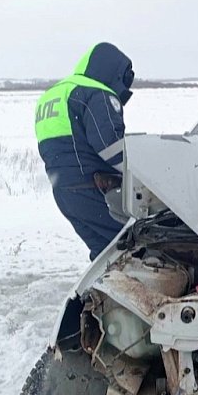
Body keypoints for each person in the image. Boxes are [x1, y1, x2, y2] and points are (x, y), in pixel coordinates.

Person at [34, 42, 134, 260]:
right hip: (96, 189)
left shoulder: (54, 94)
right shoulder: (95, 93)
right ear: (116, 72)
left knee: (104, 254)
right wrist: (142, 172)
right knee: (133, 246)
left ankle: (100, 291)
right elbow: (111, 147)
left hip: (64, 192)